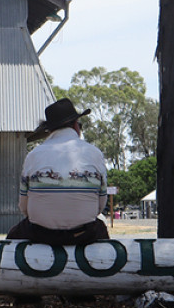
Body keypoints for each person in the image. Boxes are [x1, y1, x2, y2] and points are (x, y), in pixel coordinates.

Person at [7, 98, 109, 245]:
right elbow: (100, 205)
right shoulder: (95, 153)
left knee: (13, 235)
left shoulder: (33, 155)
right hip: (83, 234)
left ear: (50, 130)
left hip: (41, 234)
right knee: (101, 230)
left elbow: (24, 207)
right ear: (76, 126)